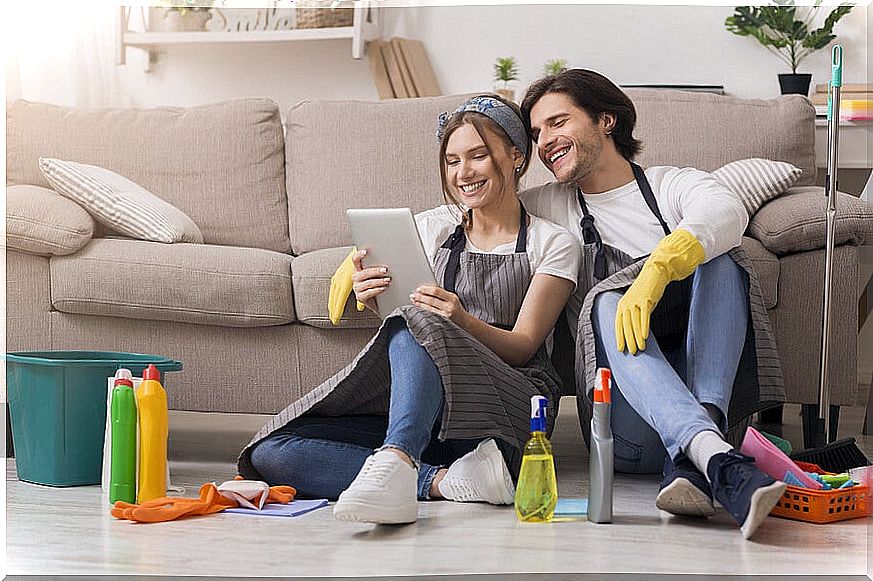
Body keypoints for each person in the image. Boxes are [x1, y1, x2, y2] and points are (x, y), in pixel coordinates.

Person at [237, 94, 582, 525]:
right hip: (432, 415)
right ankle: (439, 481)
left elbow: (522, 346)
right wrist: (372, 294)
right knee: (271, 453)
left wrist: (458, 319)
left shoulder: (553, 243)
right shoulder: (432, 228)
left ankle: (398, 458)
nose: (463, 173)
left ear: (515, 157)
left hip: (510, 407)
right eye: (452, 161)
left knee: (420, 318)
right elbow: (403, 335)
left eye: (478, 156)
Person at [518, 69, 787, 539]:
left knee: (722, 258)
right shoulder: (547, 205)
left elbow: (725, 212)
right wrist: (368, 255)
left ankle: (696, 457)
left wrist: (663, 264)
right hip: (624, 431)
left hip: (712, 402)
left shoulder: (670, 186)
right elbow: (468, 216)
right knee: (606, 303)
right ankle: (717, 457)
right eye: (538, 132)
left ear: (607, 119)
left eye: (558, 123)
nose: (545, 141)